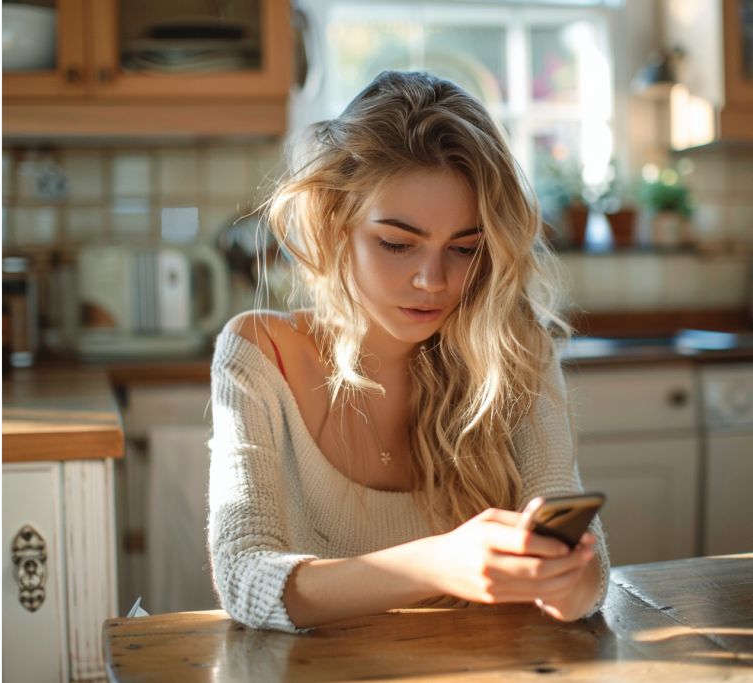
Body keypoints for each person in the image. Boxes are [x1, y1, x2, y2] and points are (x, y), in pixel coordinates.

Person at [208, 70, 609, 633]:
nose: (433, 281)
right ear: (335, 223)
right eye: (397, 243)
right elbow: (243, 578)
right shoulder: (258, 352)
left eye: (465, 249)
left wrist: (568, 582)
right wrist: (437, 565)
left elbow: (591, 580)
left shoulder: (516, 351)